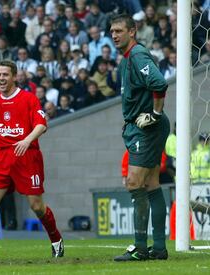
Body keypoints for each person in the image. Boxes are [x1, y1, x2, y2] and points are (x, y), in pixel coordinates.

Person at [0, 61, 64, 260]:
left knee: (36, 206)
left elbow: (41, 125)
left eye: (5, 75)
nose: (1, 78)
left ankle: (56, 240)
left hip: (26, 156)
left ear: (14, 77)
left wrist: (27, 140)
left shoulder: (28, 98)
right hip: (2, 157)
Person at [110, 14, 170, 261]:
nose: (114, 35)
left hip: (147, 128)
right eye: (112, 31)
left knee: (134, 184)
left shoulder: (137, 55)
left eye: (119, 31)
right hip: (140, 128)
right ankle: (158, 247)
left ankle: (140, 247)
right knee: (151, 185)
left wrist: (154, 114)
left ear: (132, 32)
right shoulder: (126, 60)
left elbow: (159, 83)